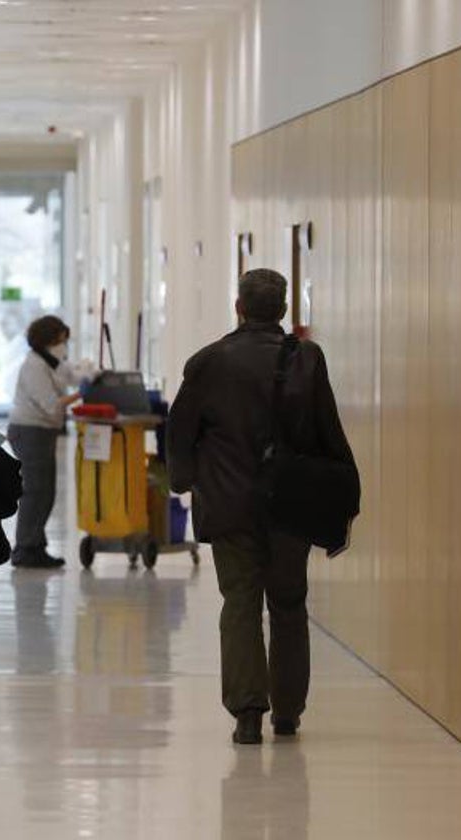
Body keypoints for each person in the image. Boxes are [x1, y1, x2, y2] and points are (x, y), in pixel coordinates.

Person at [167, 268, 356, 745]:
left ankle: (248, 713)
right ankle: (288, 712)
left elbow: (180, 432)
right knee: (289, 604)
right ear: (284, 310)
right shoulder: (307, 360)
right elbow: (326, 428)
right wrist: (341, 495)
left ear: (239, 307)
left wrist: (184, 482)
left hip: (228, 504)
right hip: (290, 505)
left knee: (240, 604)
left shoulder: (208, 363)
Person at [6, 315, 82, 568]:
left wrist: (91, 377)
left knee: (45, 492)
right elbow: (50, 405)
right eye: (61, 340)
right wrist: (82, 394)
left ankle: (34, 545)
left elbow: (71, 375)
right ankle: (25, 549)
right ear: (48, 340)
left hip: (42, 431)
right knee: (36, 492)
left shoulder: (50, 361)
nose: (64, 346)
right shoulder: (34, 365)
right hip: (30, 431)